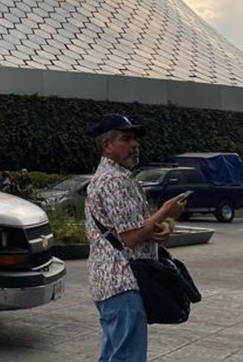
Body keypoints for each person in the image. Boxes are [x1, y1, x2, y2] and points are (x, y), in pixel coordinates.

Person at [85, 113, 188, 362]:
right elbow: (131, 237)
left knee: (114, 354)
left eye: (135, 140)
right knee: (127, 357)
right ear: (106, 145)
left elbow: (130, 229)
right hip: (122, 281)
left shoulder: (109, 178)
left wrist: (158, 228)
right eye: (126, 139)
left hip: (111, 282)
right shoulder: (114, 181)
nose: (135, 145)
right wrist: (165, 212)